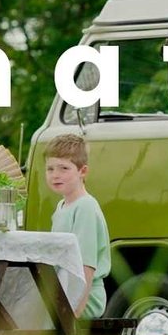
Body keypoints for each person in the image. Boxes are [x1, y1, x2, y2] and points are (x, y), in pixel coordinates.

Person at [44, 133, 110, 320]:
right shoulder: (62, 207)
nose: (55, 175)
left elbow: (86, 266)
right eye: (50, 169)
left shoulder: (85, 207)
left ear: (83, 171)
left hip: (85, 298)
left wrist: (73, 313)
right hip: (62, 291)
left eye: (64, 168)